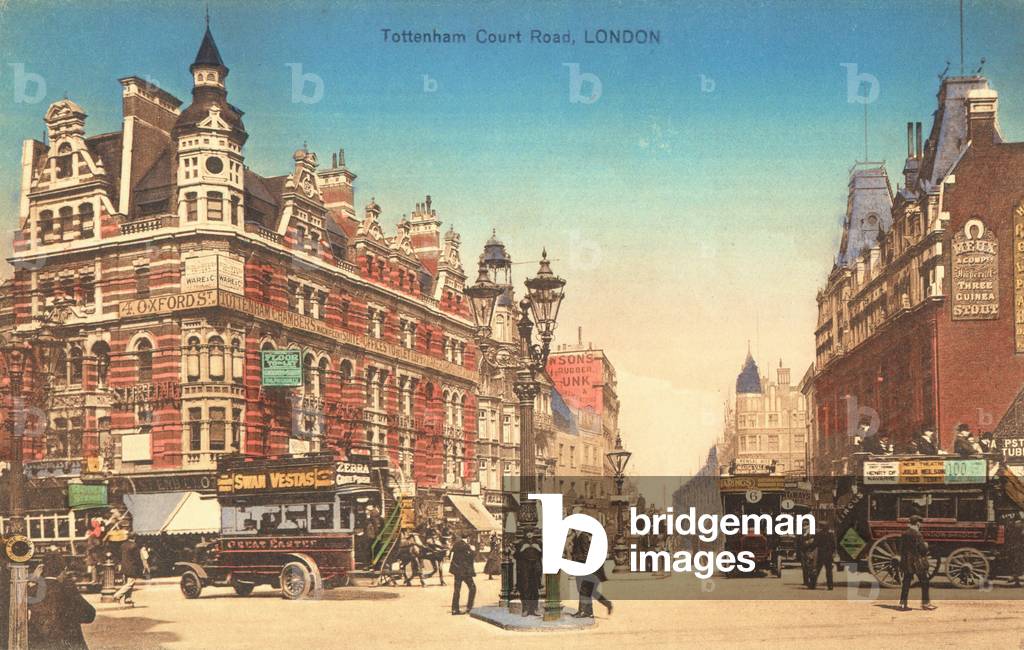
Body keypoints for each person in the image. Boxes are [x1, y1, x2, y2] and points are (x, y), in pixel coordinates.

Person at [28, 551, 96, 650]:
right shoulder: (68, 588)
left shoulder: (33, 590)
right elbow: (89, 614)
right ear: (63, 570)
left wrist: (33, 581)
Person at [898, 515, 936, 611]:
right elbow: (922, 550)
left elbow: (901, 548)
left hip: (906, 562)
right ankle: (925, 604)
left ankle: (902, 604)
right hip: (917, 562)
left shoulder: (904, 534)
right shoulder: (918, 535)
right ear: (918, 523)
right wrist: (926, 546)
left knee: (906, 582)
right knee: (925, 582)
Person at [571, 531, 612, 617]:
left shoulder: (583, 536)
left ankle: (583, 611)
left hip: (585, 567)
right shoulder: (579, 536)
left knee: (584, 589)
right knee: (589, 590)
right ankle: (589, 611)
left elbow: (587, 553)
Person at [515, 530, 543, 616]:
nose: (529, 534)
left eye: (531, 532)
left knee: (535, 588)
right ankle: (525, 609)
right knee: (525, 588)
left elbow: (543, 555)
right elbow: (516, 556)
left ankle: (535, 609)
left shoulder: (538, 543)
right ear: (525, 534)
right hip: (525, 568)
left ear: (533, 533)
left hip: (535, 568)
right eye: (527, 532)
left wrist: (538, 549)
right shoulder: (521, 543)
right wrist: (522, 549)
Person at [449, 531, 477, 615]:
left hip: (456, 571)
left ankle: (454, 609)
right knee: (472, 588)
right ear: (468, 538)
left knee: (457, 590)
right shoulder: (467, 546)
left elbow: (450, 556)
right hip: (465, 572)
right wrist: (473, 550)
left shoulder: (456, 544)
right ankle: (469, 607)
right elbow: (471, 557)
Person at [114, 535, 143, 605]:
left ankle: (128, 598)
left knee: (127, 583)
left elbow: (119, 555)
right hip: (132, 567)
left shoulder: (123, 545)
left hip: (124, 566)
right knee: (130, 583)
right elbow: (137, 558)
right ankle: (117, 595)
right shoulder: (134, 546)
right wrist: (140, 567)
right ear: (134, 538)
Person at [809, 523, 836, 590]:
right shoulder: (831, 535)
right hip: (828, 555)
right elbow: (833, 545)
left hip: (821, 554)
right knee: (829, 571)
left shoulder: (818, 534)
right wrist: (832, 553)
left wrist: (810, 549)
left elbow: (815, 544)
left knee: (817, 570)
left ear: (821, 527)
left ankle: (812, 585)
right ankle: (830, 586)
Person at [1004, 518, 1024, 587]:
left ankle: (1015, 578)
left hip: (1018, 548)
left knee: (1017, 563)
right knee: (1017, 563)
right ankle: (1016, 580)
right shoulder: (1018, 528)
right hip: (1018, 548)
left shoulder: (1018, 527)